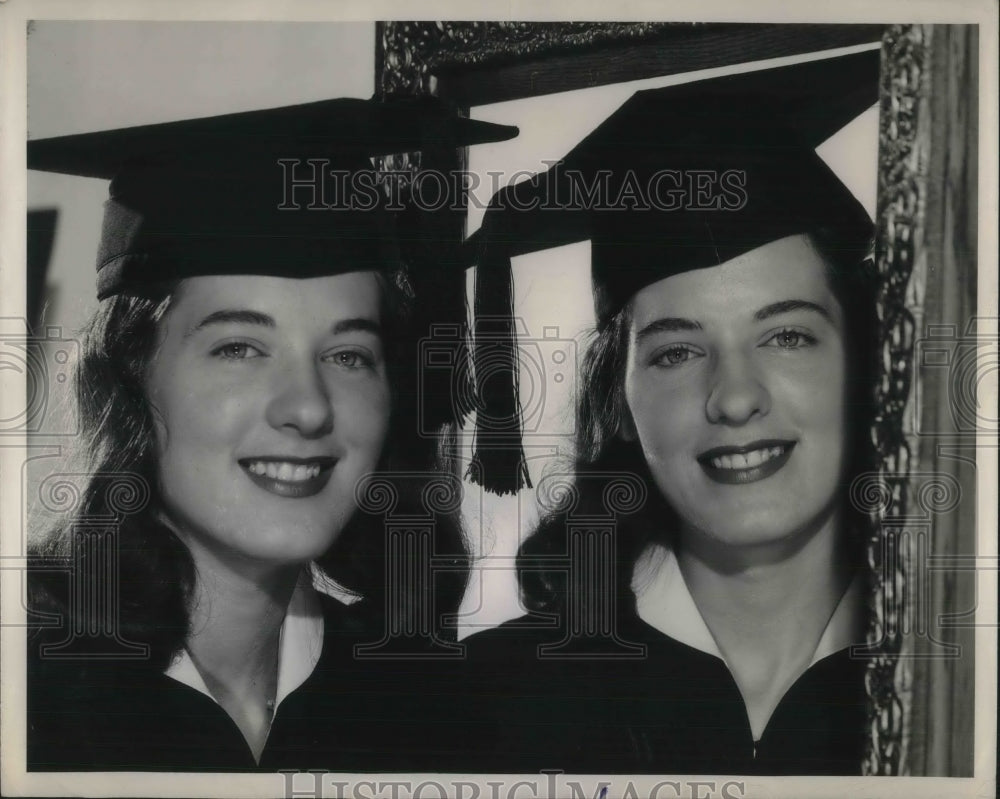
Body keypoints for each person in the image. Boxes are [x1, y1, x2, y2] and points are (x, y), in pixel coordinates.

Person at [25, 97, 516, 771]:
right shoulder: (29, 704)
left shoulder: (435, 714)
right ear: (130, 374)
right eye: (239, 347)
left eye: (349, 355)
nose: (308, 408)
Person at [462, 50, 882, 775]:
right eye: (676, 352)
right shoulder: (479, 703)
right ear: (618, 401)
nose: (735, 396)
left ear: (868, 365)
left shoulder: (948, 681)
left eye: (787, 335)